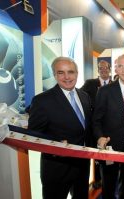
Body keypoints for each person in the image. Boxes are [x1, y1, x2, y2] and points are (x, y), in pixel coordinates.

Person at [28, 57, 92, 199]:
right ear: (55, 75)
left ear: (77, 73)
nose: (67, 77)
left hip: (82, 167)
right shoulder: (42, 101)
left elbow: (86, 129)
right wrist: (55, 143)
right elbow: (33, 136)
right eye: (61, 72)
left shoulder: (85, 96)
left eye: (71, 72)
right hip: (56, 169)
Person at [92, 54, 124, 199]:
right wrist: (100, 137)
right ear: (115, 69)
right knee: (108, 185)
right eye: (120, 66)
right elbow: (96, 120)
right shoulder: (105, 91)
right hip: (110, 146)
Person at [81, 60, 112, 189]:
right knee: (96, 153)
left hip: (110, 127)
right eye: (101, 68)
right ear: (98, 70)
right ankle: (97, 179)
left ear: (110, 69)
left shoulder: (115, 84)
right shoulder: (90, 83)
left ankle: (109, 179)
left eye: (106, 68)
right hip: (94, 126)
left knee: (109, 155)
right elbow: (81, 96)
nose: (103, 70)